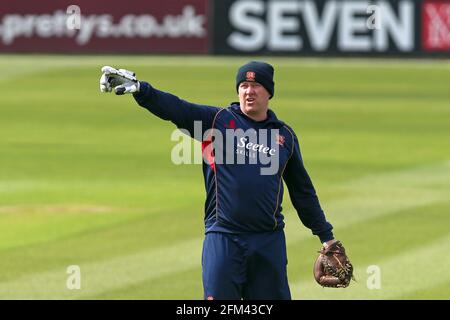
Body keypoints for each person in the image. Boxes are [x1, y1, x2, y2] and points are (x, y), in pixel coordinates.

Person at [99, 61, 347, 300]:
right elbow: (177, 108)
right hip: (224, 238)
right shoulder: (217, 122)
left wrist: (326, 236)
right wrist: (143, 90)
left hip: (268, 241)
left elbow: (302, 192)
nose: (249, 92)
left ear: (269, 92)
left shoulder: (284, 136)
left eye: (256, 86)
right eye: (243, 87)